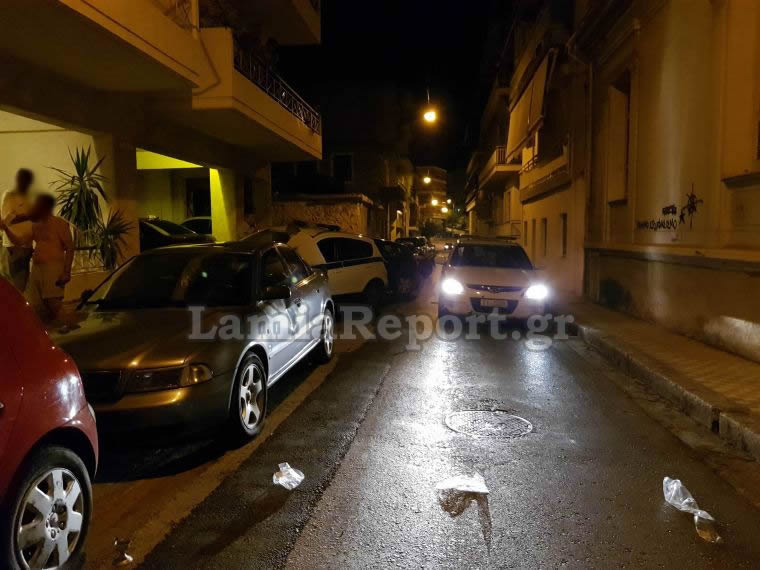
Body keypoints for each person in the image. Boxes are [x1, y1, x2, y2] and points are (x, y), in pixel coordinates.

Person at [1, 193, 74, 323]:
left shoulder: (59, 223)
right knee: (34, 307)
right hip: (36, 270)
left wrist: (67, 272)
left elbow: (70, 247)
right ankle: (50, 333)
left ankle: (73, 330)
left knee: (54, 305)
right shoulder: (36, 225)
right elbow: (19, 242)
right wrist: (6, 228)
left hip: (53, 268)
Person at [1, 169, 34, 291]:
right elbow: (6, 221)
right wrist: (29, 215)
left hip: (26, 247)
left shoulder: (28, 197)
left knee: (21, 286)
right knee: (14, 287)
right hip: (13, 247)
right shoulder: (9, 195)